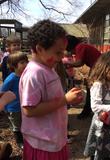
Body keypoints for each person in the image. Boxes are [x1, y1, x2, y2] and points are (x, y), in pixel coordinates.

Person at [19, 19, 83, 160]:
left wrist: (68, 99)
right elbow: (29, 110)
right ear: (40, 48)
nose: (61, 57)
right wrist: (64, 100)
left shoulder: (47, 68)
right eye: (58, 53)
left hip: (53, 138)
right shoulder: (34, 73)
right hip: (42, 144)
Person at [84, 50, 110, 160]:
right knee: (100, 147)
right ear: (106, 67)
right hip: (101, 123)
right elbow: (95, 107)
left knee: (109, 147)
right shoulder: (98, 84)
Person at [66, 35, 101, 119]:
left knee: (91, 89)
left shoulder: (80, 47)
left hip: (98, 68)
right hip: (97, 67)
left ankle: (88, 111)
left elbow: (79, 62)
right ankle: (89, 110)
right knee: (91, 89)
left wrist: (67, 64)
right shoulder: (82, 46)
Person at [1, 52, 28, 149]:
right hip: (13, 107)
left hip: (23, 105)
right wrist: (4, 106)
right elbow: (2, 91)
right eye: (22, 62)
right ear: (14, 65)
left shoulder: (25, 76)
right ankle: (19, 141)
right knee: (16, 125)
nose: (25, 64)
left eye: (26, 62)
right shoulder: (11, 78)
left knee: (24, 123)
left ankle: (25, 138)